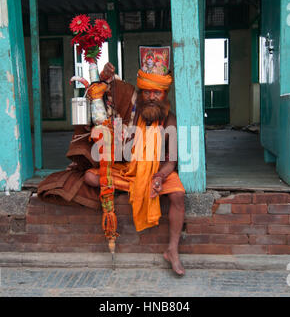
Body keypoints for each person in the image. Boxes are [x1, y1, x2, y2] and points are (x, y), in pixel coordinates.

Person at [38, 55, 186, 276]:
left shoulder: (170, 120)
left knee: (178, 196)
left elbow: (171, 161)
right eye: (147, 92)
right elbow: (106, 96)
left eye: (157, 92)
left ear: (165, 94)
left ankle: (172, 250)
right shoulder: (133, 111)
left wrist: (158, 178)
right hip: (128, 170)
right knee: (89, 177)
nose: (152, 97)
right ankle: (135, 188)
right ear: (142, 92)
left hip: (157, 172)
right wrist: (104, 76)